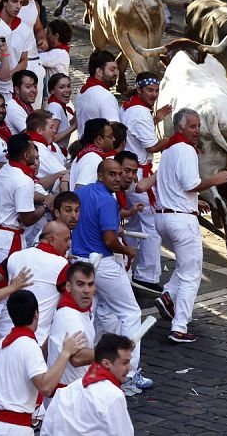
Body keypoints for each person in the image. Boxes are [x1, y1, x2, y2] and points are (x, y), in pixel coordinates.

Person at [72, 159, 152, 395]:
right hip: (103, 264)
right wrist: (128, 250)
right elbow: (109, 240)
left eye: (119, 174)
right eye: (112, 174)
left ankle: (96, 367)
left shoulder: (83, 192)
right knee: (130, 312)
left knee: (94, 315)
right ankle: (128, 372)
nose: (118, 179)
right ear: (100, 176)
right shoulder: (107, 200)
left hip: (80, 261)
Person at [154, 109, 227, 343]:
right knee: (191, 274)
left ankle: (167, 295)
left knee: (187, 264)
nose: (197, 131)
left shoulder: (168, 151)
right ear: (180, 128)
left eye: (198, 126)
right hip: (181, 221)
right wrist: (213, 181)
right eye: (192, 126)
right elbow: (190, 183)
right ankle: (179, 326)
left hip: (163, 218)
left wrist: (196, 202)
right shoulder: (186, 150)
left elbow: (173, 186)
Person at [0, 290, 85, 436]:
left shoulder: (2, 343)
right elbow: (45, 387)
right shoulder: (29, 346)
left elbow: (29, 357)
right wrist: (65, 353)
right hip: (11, 429)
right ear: (36, 314)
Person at [120, 73, 172, 293]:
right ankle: (147, 275)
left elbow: (135, 132)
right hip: (140, 174)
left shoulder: (129, 106)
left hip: (131, 172)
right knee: (152, 224)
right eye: (150, 91)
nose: (154, 94)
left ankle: (126, 268)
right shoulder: (140, 112)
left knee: (133, 224)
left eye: (156, 90)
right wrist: (178, 138)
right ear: (139, 90)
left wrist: (156, 119)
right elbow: (151, 146)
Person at [41, 333, 135, 435]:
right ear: (106, 363)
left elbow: (47, 430)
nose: (129, 368)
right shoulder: (113, 396)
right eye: (125, 363)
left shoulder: (66, 391)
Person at [0, 134, 53, 267]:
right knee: (10, 284)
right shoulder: (23, 180)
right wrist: (46, 204)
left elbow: (23, 194)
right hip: (7, 242)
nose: (36, 152)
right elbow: (28, 220)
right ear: (26, 156)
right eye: (34, 149)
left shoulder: (7, 168)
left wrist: (46, 198)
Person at [46, 260, 96, 388]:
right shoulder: (70, 317)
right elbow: (77, 358)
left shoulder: (78, 311)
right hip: (69, 397)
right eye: (80, 284)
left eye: (90, 285)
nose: (86, 290)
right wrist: (111, 352)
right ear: (68, 286)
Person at [12, 0, 47, 108]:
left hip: (34, 61)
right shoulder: (10, 7)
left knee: (36, 108)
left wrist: (42, 39)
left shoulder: (34, 5)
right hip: (18, 64)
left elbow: (38, 29)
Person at [75, 50, 120, 138]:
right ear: (99, 72)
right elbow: (115, 130)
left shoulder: (81, 91)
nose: (116, 73)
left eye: (117, 69)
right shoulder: (105, 96)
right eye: (112, 69)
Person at [0, 0, 30, 100]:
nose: (18, 6)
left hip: (11, 88)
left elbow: (24, 60)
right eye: (14, 1)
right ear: (4, 2)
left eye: (21, 3)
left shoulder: (25, 29)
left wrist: (9, 74)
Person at [26, 110, 69, 191]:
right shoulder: (37, 149)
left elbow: (64, 165)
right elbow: (64, 172)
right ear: (40, 130)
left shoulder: (52, 145)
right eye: (51, 127)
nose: (54, 130)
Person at [69, 119, 116, 191]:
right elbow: (80, 190)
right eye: (111, 136)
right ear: (99, 139)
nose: (114, 139)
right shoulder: (93, 158)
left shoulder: (85, 154)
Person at [46, 73, 76, 153]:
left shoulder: (58, 105)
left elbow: (61, 127)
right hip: (56, 152)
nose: (67, 90)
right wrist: (74, 126)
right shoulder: (55, 107)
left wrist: (74, 119)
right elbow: (52, 138)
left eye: (68, 86)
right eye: (62, 87)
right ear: (52, 90)